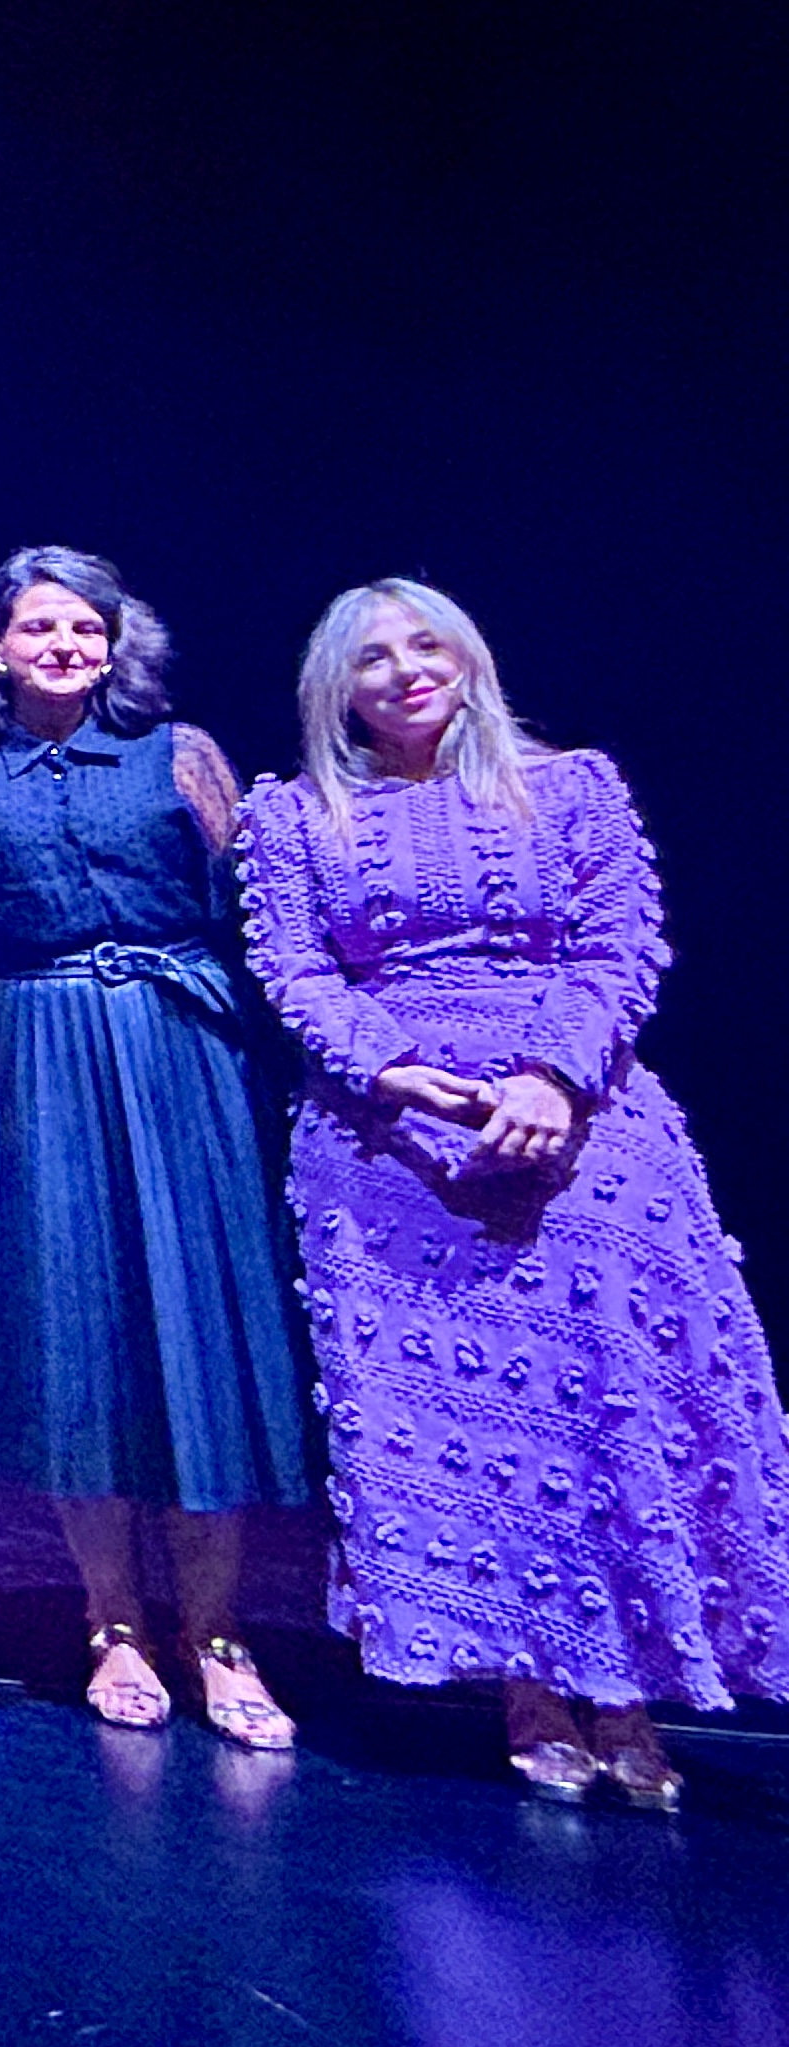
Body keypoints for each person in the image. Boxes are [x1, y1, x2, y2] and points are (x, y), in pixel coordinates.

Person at [242, 579, 789, 1810]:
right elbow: (291, 970)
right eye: (370, 659)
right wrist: (393, 1072)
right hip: (390, 1138)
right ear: (338, 691)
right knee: (469, 1426)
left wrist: (551, 1075)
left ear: (470, 658)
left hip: (586, 1120)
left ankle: (631, 1687)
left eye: (424, 645)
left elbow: (619, 945)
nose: (402, 671)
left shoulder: (576, 787)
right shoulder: (293, 814)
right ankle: (527, 1687)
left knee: (612, 1397)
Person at [0, 548, 319, 1750]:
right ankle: (113, 1622)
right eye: (40, 627)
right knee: (83, 1346)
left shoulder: (180, 757)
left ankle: (220, 1634)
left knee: (199, 1344)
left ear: (117, 641)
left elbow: (259, 920)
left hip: (182, 1064)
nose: (65, 645)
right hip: (27, 1066)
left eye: (86, 626)